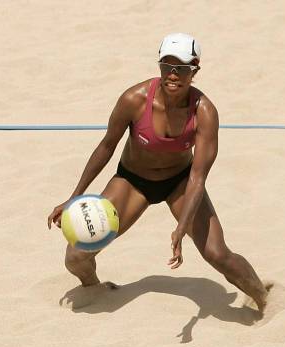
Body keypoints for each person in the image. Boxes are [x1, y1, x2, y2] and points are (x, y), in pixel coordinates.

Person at [47, 33, 267, 314]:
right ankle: (95, 288)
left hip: (180, 182)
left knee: (217, 254)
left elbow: (198, 178)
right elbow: (106, 147)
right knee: (76, 256)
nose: (173, 74)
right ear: (160, 65)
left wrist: (181, 228)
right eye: (167, 65)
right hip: (132, 180)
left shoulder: (205, 112)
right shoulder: (134, 99)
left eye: (182, 68)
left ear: (195, 69)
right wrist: (73, 197)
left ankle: (263, 298)